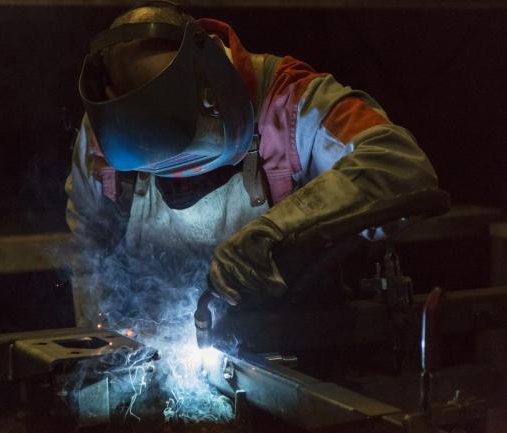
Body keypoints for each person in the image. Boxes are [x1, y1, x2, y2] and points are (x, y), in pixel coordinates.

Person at [65, 2, 440, 326]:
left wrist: (279, 231)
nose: (184, 183)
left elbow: (401, 166)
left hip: (295, 353)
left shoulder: (291, 101)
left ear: (211, 80)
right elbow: (90, 247)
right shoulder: (110, 134)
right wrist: (103, 354)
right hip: (157, 361)